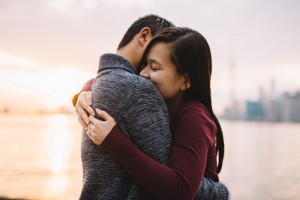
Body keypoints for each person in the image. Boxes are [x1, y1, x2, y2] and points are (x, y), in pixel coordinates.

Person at [75, 27, 229, 199]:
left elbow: (180, 191)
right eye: (144, 64)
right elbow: (116, 80)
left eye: (154, 68)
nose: (142, 73)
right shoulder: (161, 101)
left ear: (185, 80)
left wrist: (114, 141)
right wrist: (85, 91)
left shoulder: (195, 116)